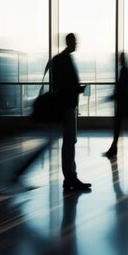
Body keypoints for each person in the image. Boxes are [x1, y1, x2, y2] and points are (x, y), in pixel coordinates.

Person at [51, 33, 91, 190]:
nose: (77, 43)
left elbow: (60, 84)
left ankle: (70, 176)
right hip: (68, 105)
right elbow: (67, 85)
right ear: (69, 42)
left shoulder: (60, 59)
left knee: (69, 141)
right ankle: (70, 177)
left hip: (66, 104)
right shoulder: (64, 60)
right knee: (69, 141)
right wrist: (79, 89)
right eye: (75, 41)